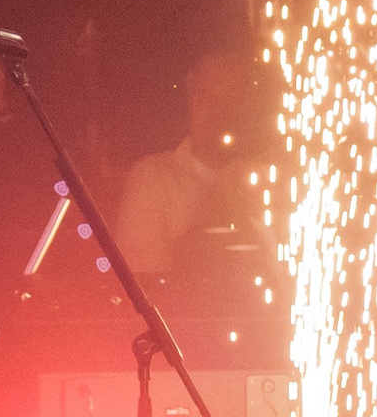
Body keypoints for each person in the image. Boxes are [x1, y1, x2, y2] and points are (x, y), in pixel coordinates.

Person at [114, 51, 267, 278]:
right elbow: (145, 284)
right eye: (208, 98)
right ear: (190, 101)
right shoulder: (153, 179)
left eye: (231, 99)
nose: (218, 112)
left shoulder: (268, 182)